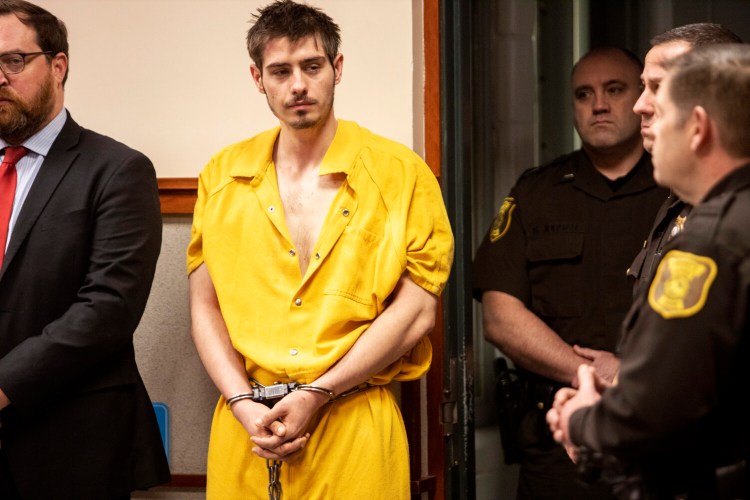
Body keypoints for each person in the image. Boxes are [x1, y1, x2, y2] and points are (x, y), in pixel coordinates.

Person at [187, 1, 453, 498]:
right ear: (257, 78)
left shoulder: (401, 174)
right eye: (280, 71)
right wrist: (243, 403)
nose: (298, 86)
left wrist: (318, 390)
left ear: (337, 68)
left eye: (312, 66)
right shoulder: (221, 177)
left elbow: (417, 311)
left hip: (355, 417)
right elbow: (205, 307)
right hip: (247, 424)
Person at [547, 43, 750, 500]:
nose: (645, 116)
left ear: (697, 128)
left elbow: (652, 413)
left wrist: (580, 418)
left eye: (662, 110)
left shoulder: (709, 243)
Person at [473, 46, 668, 499]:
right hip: (555, 442)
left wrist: (630, 376)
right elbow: (500, 318)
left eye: (614, 90)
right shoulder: (536, 192)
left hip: (657, 433)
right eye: (584, 94)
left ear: (642, 97)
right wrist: (591, 375)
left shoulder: (676, 188)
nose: (598, 104)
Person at [0, 0, 170, 498]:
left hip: (72, 444)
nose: (0, 77)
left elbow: (108, 309)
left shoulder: (117, 169)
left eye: (13, 60)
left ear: (58, 65)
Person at [627, 23, 742, 296]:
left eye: (659, 88)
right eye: (644, 86)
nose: (639, 105)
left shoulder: (734, 214)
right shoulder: (679, 202)